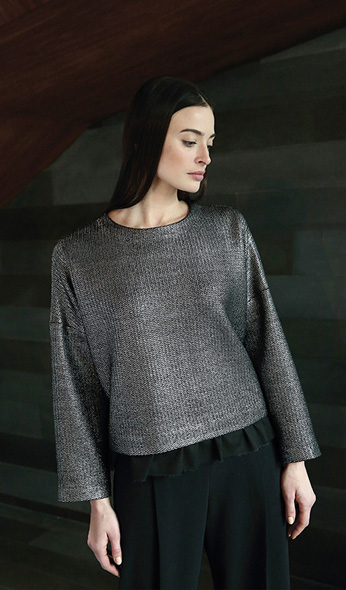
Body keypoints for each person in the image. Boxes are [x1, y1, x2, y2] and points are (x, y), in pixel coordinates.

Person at [49, 76, 321, 589]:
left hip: (247, 448)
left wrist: (296, 459)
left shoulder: (226, 231)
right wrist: (97, 501)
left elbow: (267, 344)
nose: (205, 157)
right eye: (190, 140)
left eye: (209, 143)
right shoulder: (80, 256)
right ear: (147, 138)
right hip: (149, 464)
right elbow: (75, 385)